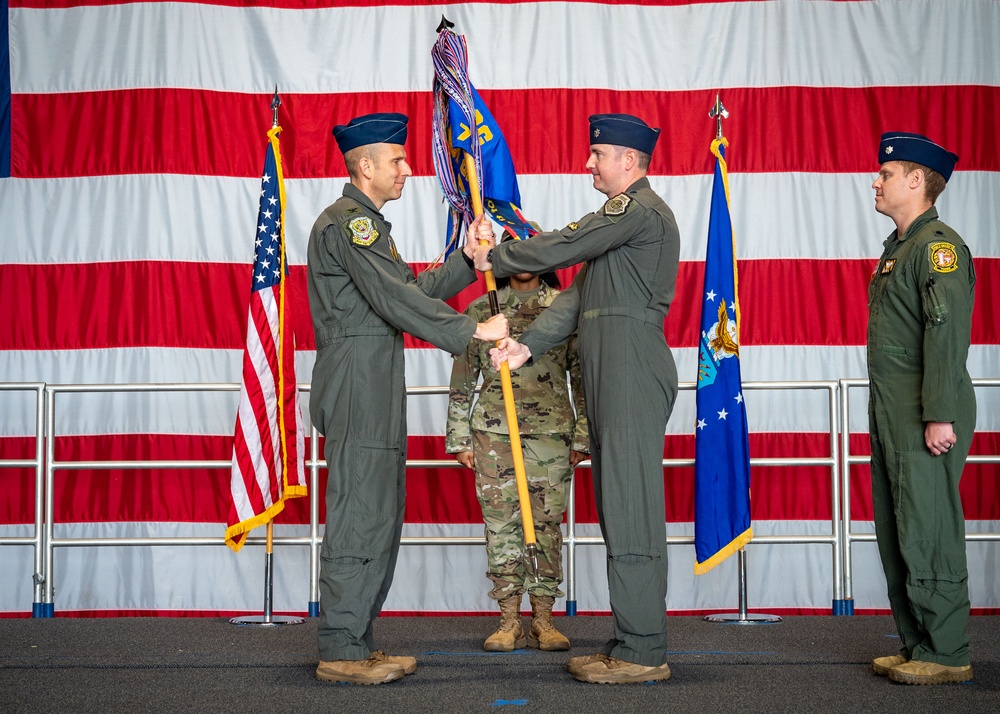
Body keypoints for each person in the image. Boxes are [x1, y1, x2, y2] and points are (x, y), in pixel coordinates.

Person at [473, 113, 680, 684]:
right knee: (618, 506)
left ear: (629, 162)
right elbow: (575, 300)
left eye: (597, 154)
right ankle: (630, 638)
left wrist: (502, 257)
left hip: (631, 368)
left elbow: (568, 245)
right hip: (613, 367)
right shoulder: (619, 233)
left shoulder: (634, 211)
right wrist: (527, 346)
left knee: (631, 507)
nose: (588, 163)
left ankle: (643, 651)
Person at [307, 112, 507, 685]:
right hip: (356, 379)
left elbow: (406, 293)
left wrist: (466, 263)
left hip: (372, 375)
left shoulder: (369, 226)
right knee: (358, 512)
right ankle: (341, 647)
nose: (407, 169)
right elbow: (399, 304)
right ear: (364, 166)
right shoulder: (349, 225)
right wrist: (470, 331)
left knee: (378, 510)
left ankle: (356, 639)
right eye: (396, 160)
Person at [866, 132, 976, 685]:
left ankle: (949, 652)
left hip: (924, 411)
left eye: (885, 174)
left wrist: (940, 414)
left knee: (928, 529)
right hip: (893, 411)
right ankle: (918, 642)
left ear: (916, 181)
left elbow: (945, 335)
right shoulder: (899, 249)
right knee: (898, 528)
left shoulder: (939, 248)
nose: (875, 182)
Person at [446, 249, 589, 652]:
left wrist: (582, 435)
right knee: (501, 527)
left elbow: (581, 376)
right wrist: (458, 437)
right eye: (514, 249)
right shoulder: (482, 308)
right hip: (494, 436)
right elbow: (463, 378)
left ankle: (543, 619)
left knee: (545, 524)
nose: (525, 259)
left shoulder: (562, 308)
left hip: (550, 435)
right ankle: (508, 621)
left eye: (533, 248)